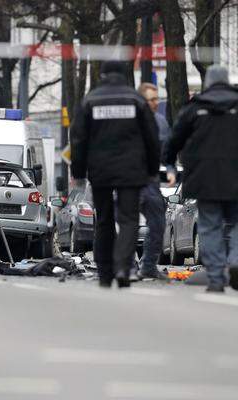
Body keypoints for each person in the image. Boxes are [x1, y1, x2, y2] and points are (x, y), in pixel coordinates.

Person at [71, 61, 160, 288]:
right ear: (125, 75)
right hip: (131, 170)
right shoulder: (136, 100)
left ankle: (104, 273)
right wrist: (151, 169)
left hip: (100, 170)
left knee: (103, 220)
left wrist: (79, 172)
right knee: (129, 219)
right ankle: (123, 267)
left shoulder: (90, 100)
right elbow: (152, 138)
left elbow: (78, 139)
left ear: (103, 75)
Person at [166, 65, 238, 293]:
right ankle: (236, 261)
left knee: (210, 227)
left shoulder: (195, 107)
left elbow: (175, 139)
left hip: (204, 179)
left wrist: (168, 162)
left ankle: (216, 278)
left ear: (208, 83)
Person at [134, 83, 170, 281]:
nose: (157, 103)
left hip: (151, 180)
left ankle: (148, 265)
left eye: (158, 98)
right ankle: (127, 266)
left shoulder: (161, 122)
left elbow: (167, 151)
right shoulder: (129, 121)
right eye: (152, 99)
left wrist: (171, 168)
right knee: (127, 226)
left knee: (158, 223)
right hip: (129, 180)